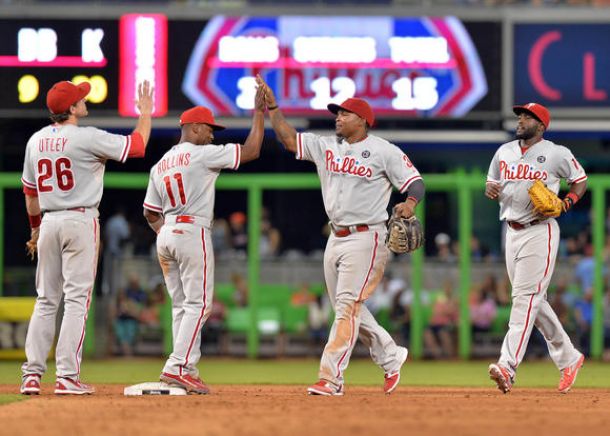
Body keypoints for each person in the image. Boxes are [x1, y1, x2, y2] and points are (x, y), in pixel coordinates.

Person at [257, 75, 425, 396]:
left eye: (345, 114)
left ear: (362, 120)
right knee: (347, 310)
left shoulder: (382, 151)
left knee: (348, 307)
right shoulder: (326, 147)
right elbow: (289, 139)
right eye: (337, 113)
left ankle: (331, 378)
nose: (338, 117)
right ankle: (391, 355)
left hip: (367, 237)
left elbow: (414, 181)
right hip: (335, 237)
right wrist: (274, 109)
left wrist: (410, 202)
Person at [19, 79, 153, 395]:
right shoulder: (86, 137)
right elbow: (138, 146)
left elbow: (30, 194)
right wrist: (145, 112)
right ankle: (66, 377)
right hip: (80, 220)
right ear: (71, 109)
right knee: (77, 300)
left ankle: (31, 375)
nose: (84, 100)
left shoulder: (35, 141)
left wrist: (35, 228)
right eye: (80, 98)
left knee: (46, 300)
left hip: (49, 221)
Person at [142, 87, 265, 394]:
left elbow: (148, 212)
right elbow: (251, 151)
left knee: (181, 306)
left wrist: (166, 233)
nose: (212, 135)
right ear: (194, 128)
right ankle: (179, 366)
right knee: (200, 304)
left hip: (167, 233)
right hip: (192, 232)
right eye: (209, 129)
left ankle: (186, 366)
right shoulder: (201, 154)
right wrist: (259, 114)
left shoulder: (161, 164)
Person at [485, 102, 587, 394]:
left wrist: (567, 202)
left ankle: (507, 366)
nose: (521, 120)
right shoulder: (503, 151)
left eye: (527, 117)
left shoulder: (556, 153)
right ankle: (569, 358)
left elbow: (579, 181)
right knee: (533, 301)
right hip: (511, 231)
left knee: (523, 299)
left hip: (539, 230)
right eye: (520, 115)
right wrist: (490, 188)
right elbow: (492, 182)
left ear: (541, 125)